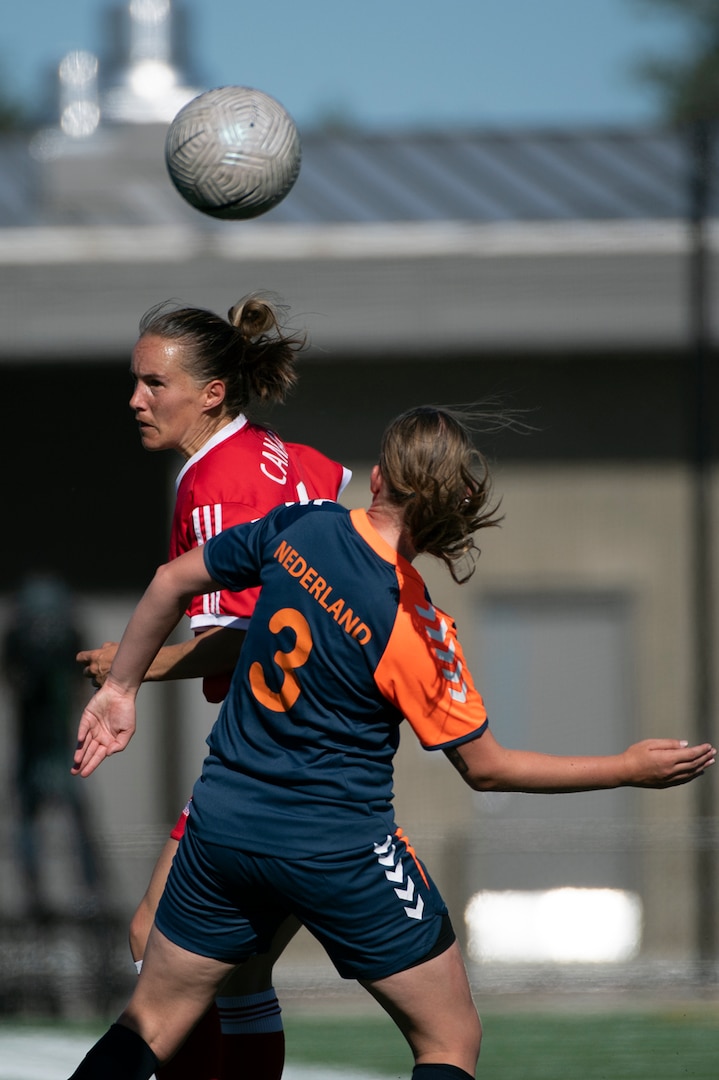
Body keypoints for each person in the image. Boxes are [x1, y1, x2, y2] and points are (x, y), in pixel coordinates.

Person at [67, 405, 715, 1080]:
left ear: (377, 478)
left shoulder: (305, 525)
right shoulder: (413, 620)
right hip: (334, 845)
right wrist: (626, 767)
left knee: (150, 1022)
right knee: (449, 1037)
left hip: (221, 828)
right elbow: (486, 769)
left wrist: (121, 688)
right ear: (451, 512)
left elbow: (173, 580)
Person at [76, 292, 351, 1080]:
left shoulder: (215, 486)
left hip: (271, 761)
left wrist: (130, 667)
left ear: (212, 392)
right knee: (238, 975)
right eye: (135, 381)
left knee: (154, 942)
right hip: (332, 759)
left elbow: (248, 631)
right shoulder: (284, 455)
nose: (135, 399)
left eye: (154, 384)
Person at [2, 572, 103, 919]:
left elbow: (79, 683)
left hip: (61, 745)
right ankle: (38, 895)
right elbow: (17, 680)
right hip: (34, 746)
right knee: (31, 820)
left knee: (75, 820)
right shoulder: (21, 641)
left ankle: (91, 893)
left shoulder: (61, 639)